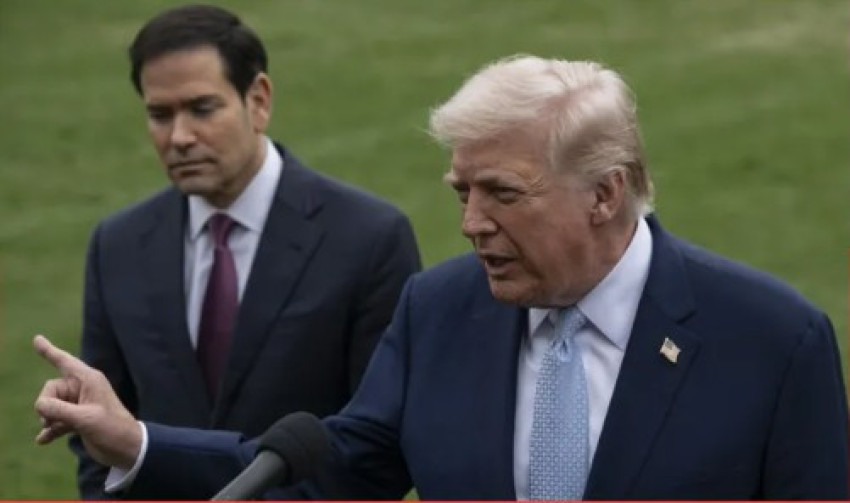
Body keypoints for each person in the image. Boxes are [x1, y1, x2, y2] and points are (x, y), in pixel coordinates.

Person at [35, 55, 848, 500]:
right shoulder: (441, 308)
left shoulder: (773, 341)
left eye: (503, 194)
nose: (471, 224)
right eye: (463, 193)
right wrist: (137, 441)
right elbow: (335, 469)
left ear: (605, 193)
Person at [64, 4, 421, 498]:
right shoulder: (117, 246)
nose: (179, 137)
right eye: (160, 115)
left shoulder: (369, 238)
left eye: (202, 109)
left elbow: (377, 450)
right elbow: (98, 441)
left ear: (258, 100)